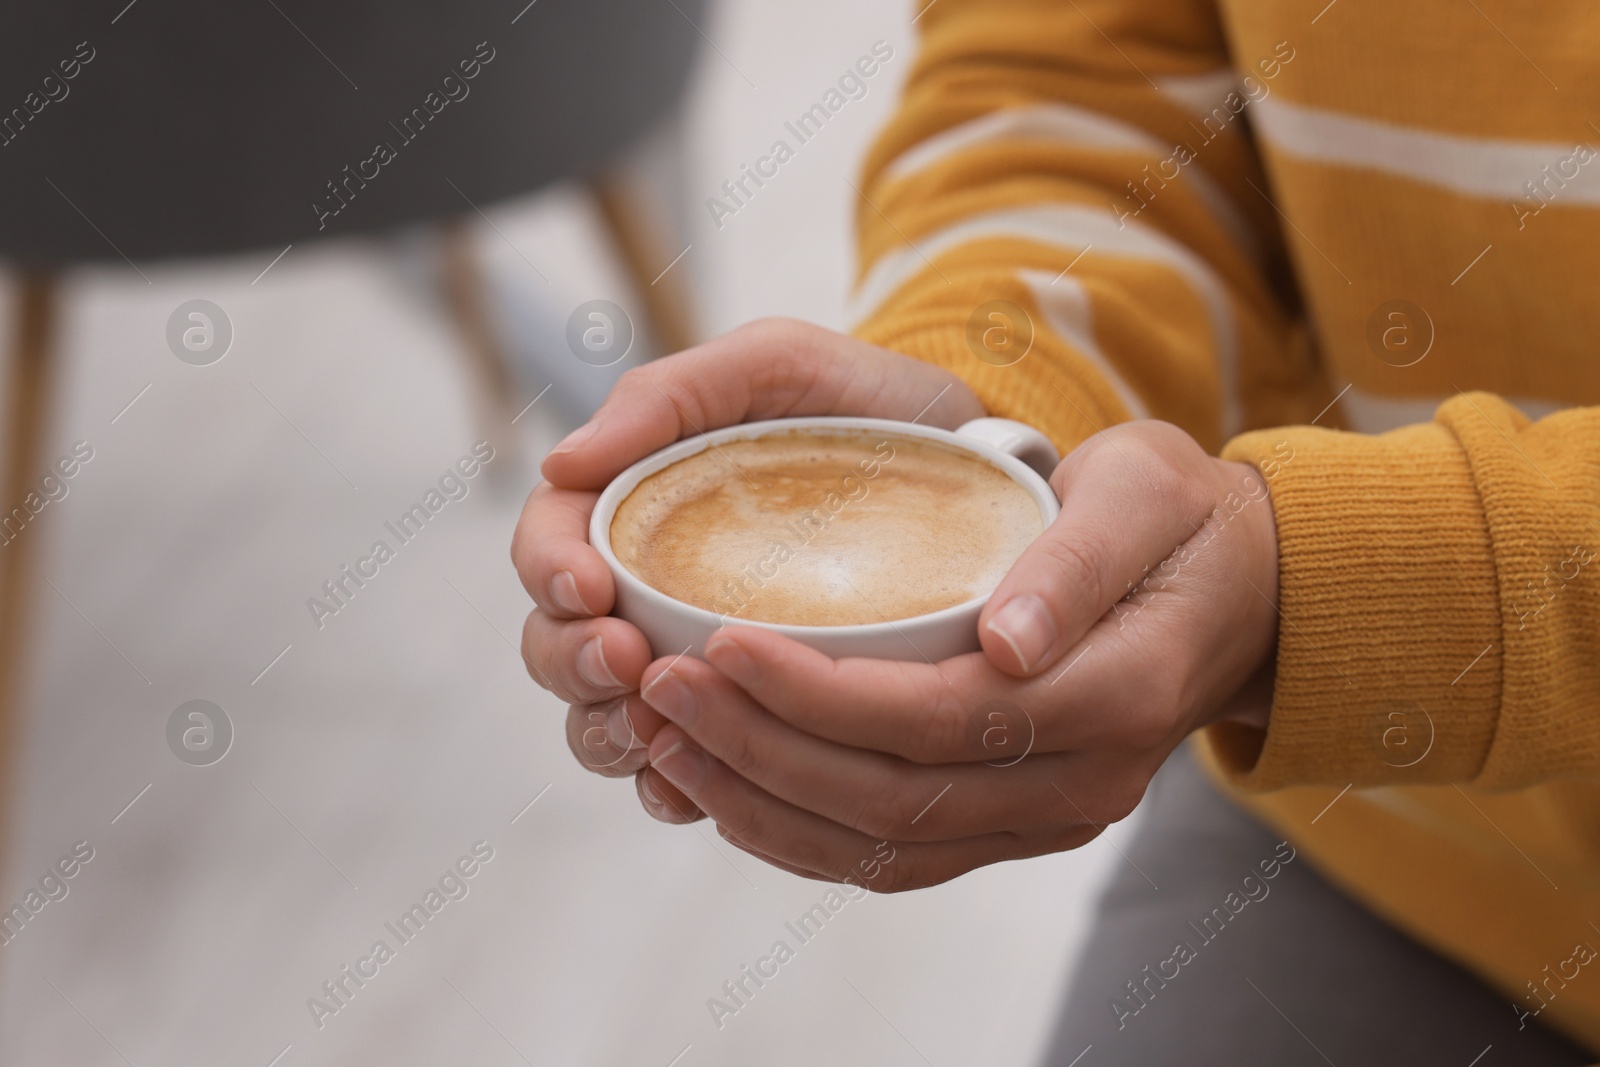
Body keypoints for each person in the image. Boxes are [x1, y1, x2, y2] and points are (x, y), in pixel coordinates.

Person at [510, 0, 1600, 1061]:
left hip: (1342, 702)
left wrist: (1343, 587)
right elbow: (1078, 84)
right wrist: (994, 401)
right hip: (1403, 831)